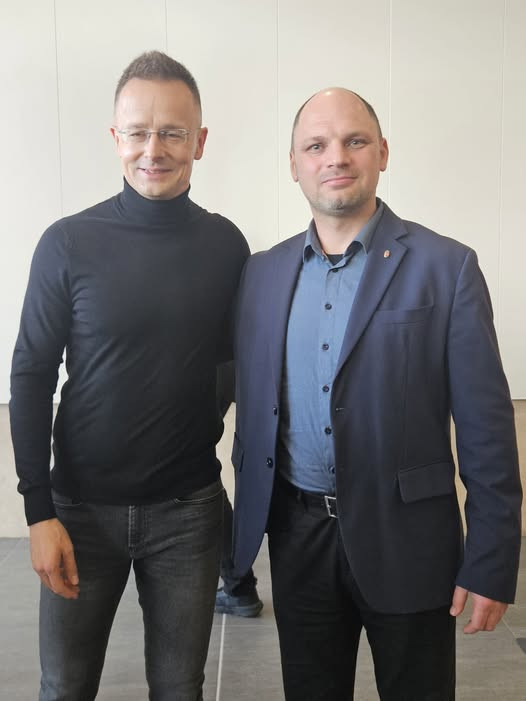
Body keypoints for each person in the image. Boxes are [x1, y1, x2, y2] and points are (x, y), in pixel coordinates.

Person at [230, 87, 522, 700]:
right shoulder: (262, 273)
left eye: (354, 141)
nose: (336, 156)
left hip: (409, 539)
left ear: (383, 153)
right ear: (294, 164)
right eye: (316, 145)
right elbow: (257, 410)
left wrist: (493, 556)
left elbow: (486, 426)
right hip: (299, 539)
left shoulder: (447, 267)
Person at [9, 51, 249, 701]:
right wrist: (38, 511)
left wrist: (196, 422)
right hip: (78, 512)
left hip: (188, 514)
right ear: (115, 136)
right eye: (138, 131)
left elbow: (234, 362)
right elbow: (30, 375)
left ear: (200, 140)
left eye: (172, 132)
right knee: (65, 686)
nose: (154, 149)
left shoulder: (226, 247)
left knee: (179, 687)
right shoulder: (67, 243)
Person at [215, 361, 263, 617]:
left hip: (204, 363)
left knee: (191, 469)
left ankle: (239, 585)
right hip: (223, 362)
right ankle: (238, 584)